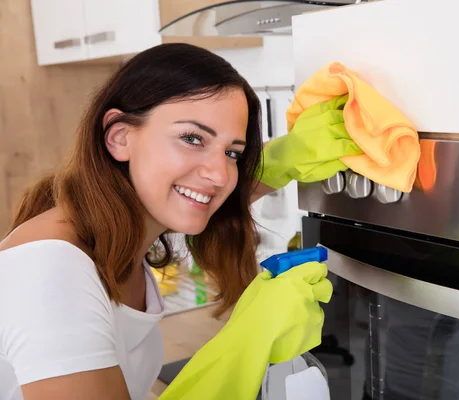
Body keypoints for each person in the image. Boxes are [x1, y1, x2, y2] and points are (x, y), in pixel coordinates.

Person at [0, 43, 331, 400]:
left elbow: (218, 190)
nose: (220, 174)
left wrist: (296, 153)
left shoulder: (115, 227)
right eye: (192, 138)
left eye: (232, 152)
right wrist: (246, 344)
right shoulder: (52, 270)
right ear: (120, 137)